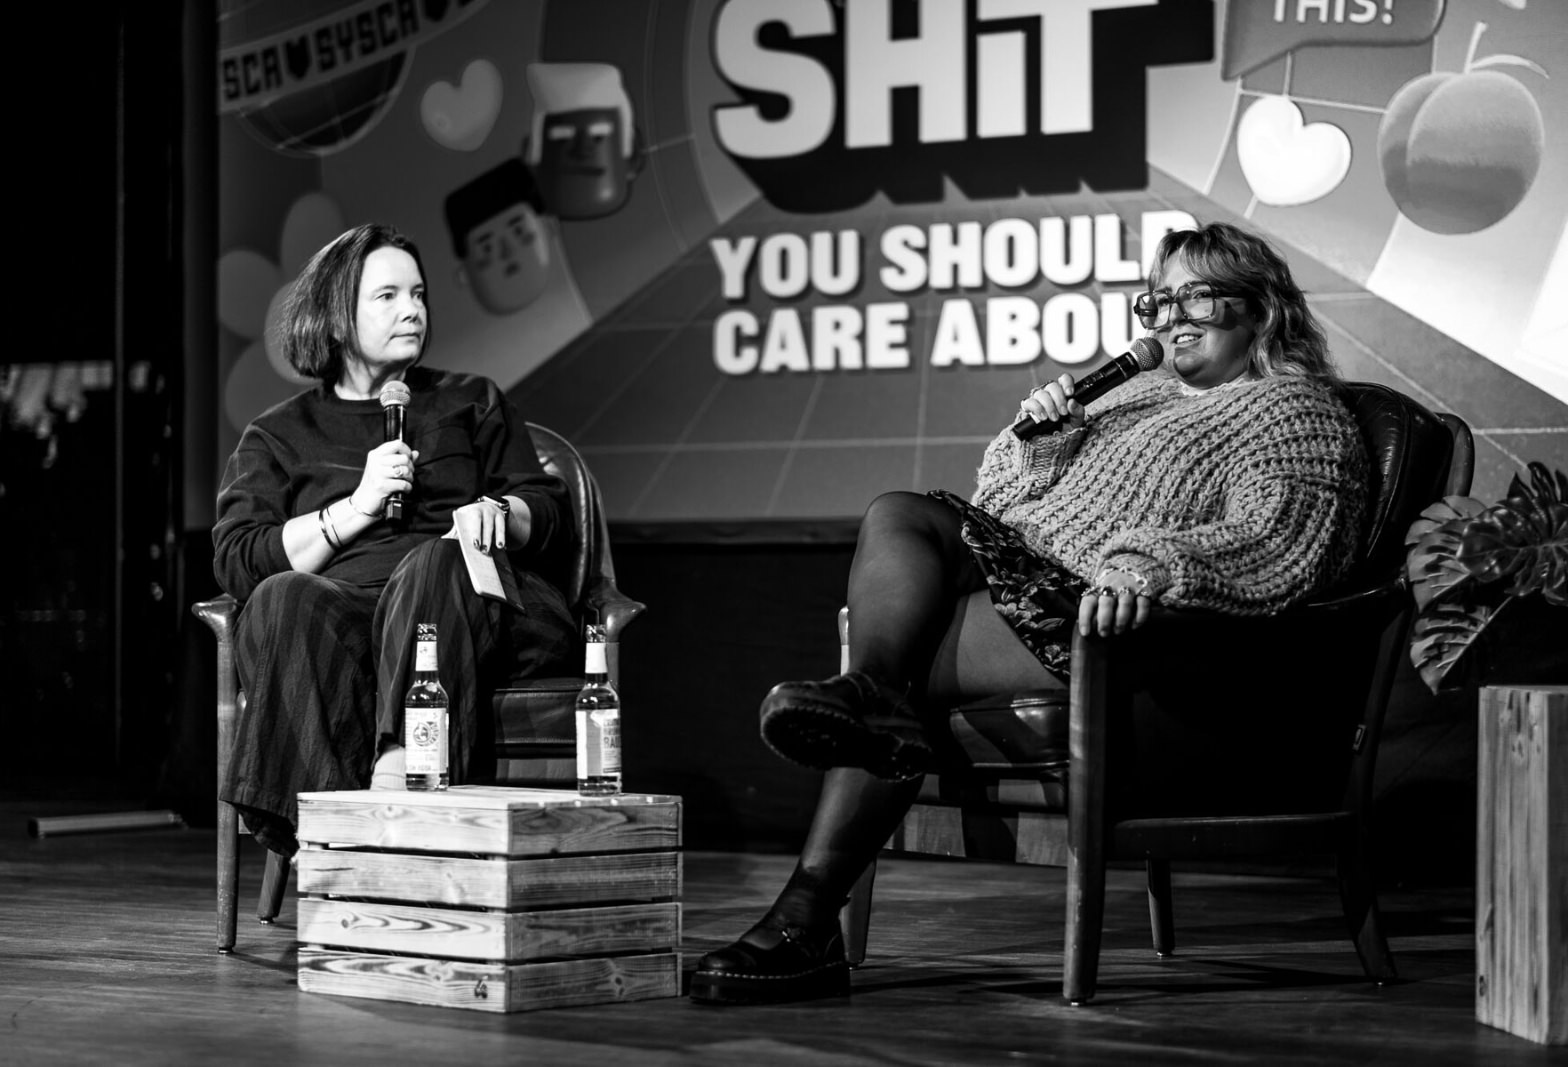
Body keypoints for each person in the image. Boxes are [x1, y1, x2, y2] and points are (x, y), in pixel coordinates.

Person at [689, 221, 1371, 1005]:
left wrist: (1147, 563)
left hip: (1108, 624)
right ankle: (857, 746)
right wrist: (1039, 444)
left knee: (896, 676)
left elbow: (1277, 540)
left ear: (1261, 309)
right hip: (1026, 576)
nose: (1173, 315)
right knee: (899, 512)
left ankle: (808, 914)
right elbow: (998, 508)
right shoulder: (1131, 395)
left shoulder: (1293, 411)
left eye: (1201, 296)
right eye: (1161, 299)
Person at [211, 223, 578, 858]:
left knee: (433, 561)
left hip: (483, 610)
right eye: (387, 296)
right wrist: (354, 508)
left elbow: (549, 509)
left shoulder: (472, 401)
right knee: (281, 598)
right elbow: (240, 558)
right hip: (355, 615)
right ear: (334, 317)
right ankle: (326, 843)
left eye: (419, 293)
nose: (412, 309)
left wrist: (500, 510)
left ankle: (401, 772)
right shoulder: (278, 435)